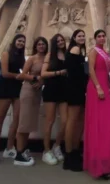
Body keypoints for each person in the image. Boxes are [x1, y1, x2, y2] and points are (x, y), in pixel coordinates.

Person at [83, 30, 110, 179]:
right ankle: (99, 165)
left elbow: (107, 73)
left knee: (109, 125)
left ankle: (106, 162)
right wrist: (99, 87)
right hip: (96, 88)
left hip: (105, 88)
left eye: (103, 36)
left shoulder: (105, 53)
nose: (101, 38)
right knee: (99, 125)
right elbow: (91, 70)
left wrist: (109, 87)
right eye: (99, 36)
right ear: (95, 39)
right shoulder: (93, 51)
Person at [0, 34, 26, 167]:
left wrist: (28, 77)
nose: (21, 43)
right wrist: (20, 76)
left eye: (23, 42)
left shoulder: (21, 57)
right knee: (0, 118)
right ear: (14, 41)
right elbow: (5, 73)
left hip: (17, 89)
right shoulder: (5, 54)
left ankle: (9, 148)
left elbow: (25, 72)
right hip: (5, 87)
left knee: (16, 119)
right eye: (19, 41)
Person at [14, 37, 48, 166]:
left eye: (43, 44)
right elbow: (22, 74)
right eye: (39, 44)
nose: (41, 46)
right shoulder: (32, 58)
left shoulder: (47, 59)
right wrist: (36, 78)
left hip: (37, 92)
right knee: (23, 122)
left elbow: (46, 75)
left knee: (28, 123)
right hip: (28, 90)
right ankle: (19, 154)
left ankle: (23, 150)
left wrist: (42, 81)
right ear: (35, 46)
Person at [40, 34, 68, 165]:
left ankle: (56, 145)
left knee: (65, 121)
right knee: (50, 121)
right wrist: (58, 72)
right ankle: (46, 151)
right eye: (58, 41)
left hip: (63, 90)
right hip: (51, 89)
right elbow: (43, 73)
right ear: (54, 43)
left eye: (62, 40)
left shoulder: (67, 54)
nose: (61, 42)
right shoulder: (50, 55)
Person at [63, 29, 88, 171]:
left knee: (78, 121)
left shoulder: (77, 50)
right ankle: (69, 155)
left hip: (77, 88)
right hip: (75, 89)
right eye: (79, 36)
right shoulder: (76, 49)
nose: (82, 38)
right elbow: (74, 72)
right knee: (72, 121)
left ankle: (74, 150)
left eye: (83, 36)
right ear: (74, 38)